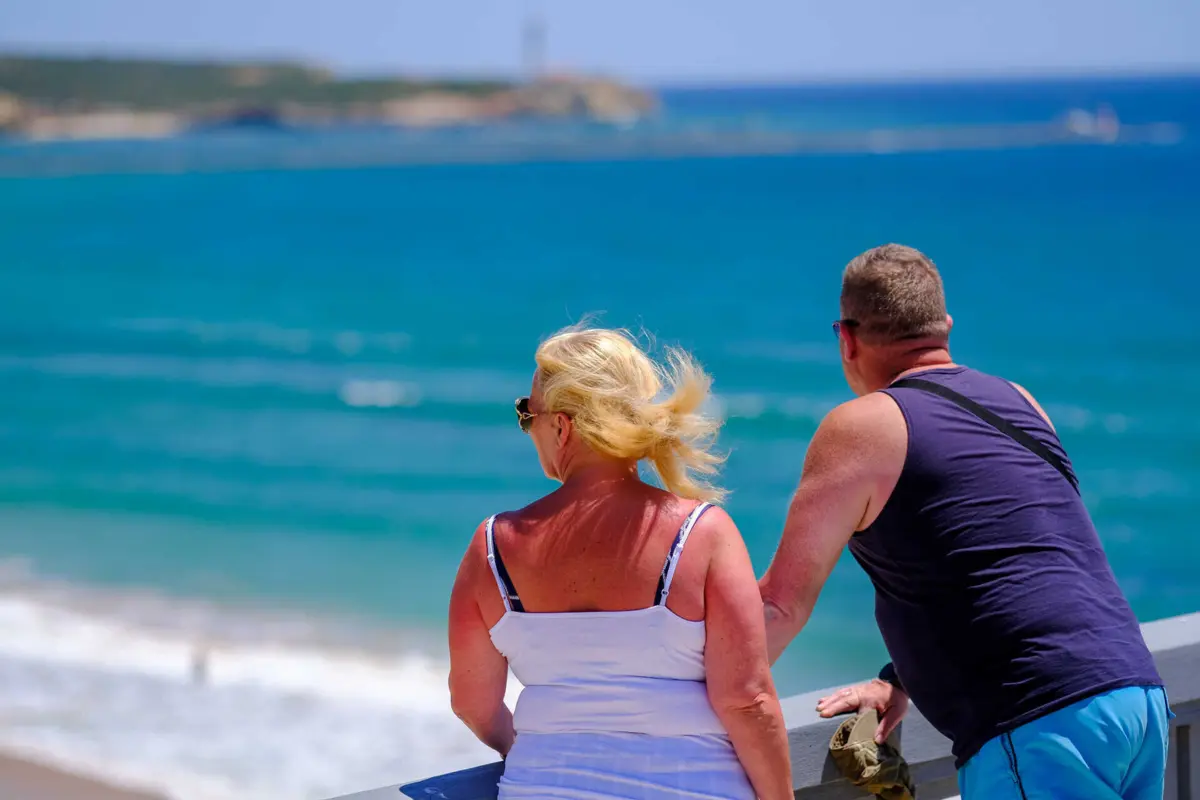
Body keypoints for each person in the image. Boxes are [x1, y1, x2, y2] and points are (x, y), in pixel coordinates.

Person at [758, 244, 1171, 799]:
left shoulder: (861, 426)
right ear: (944, 326)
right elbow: (1021, 554)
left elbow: (780, 606)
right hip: (1134, 699)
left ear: (847, 338)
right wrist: (901, 677)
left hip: (1038, 717)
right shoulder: (1019, 400)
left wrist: (677, 708)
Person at [448, 325, 792, 800]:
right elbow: (746, 700)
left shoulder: (493, 546)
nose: (527, 427)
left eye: (527, 413)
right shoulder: (704, 533)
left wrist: (538, 754)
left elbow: (472, 703)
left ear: (562, 426)